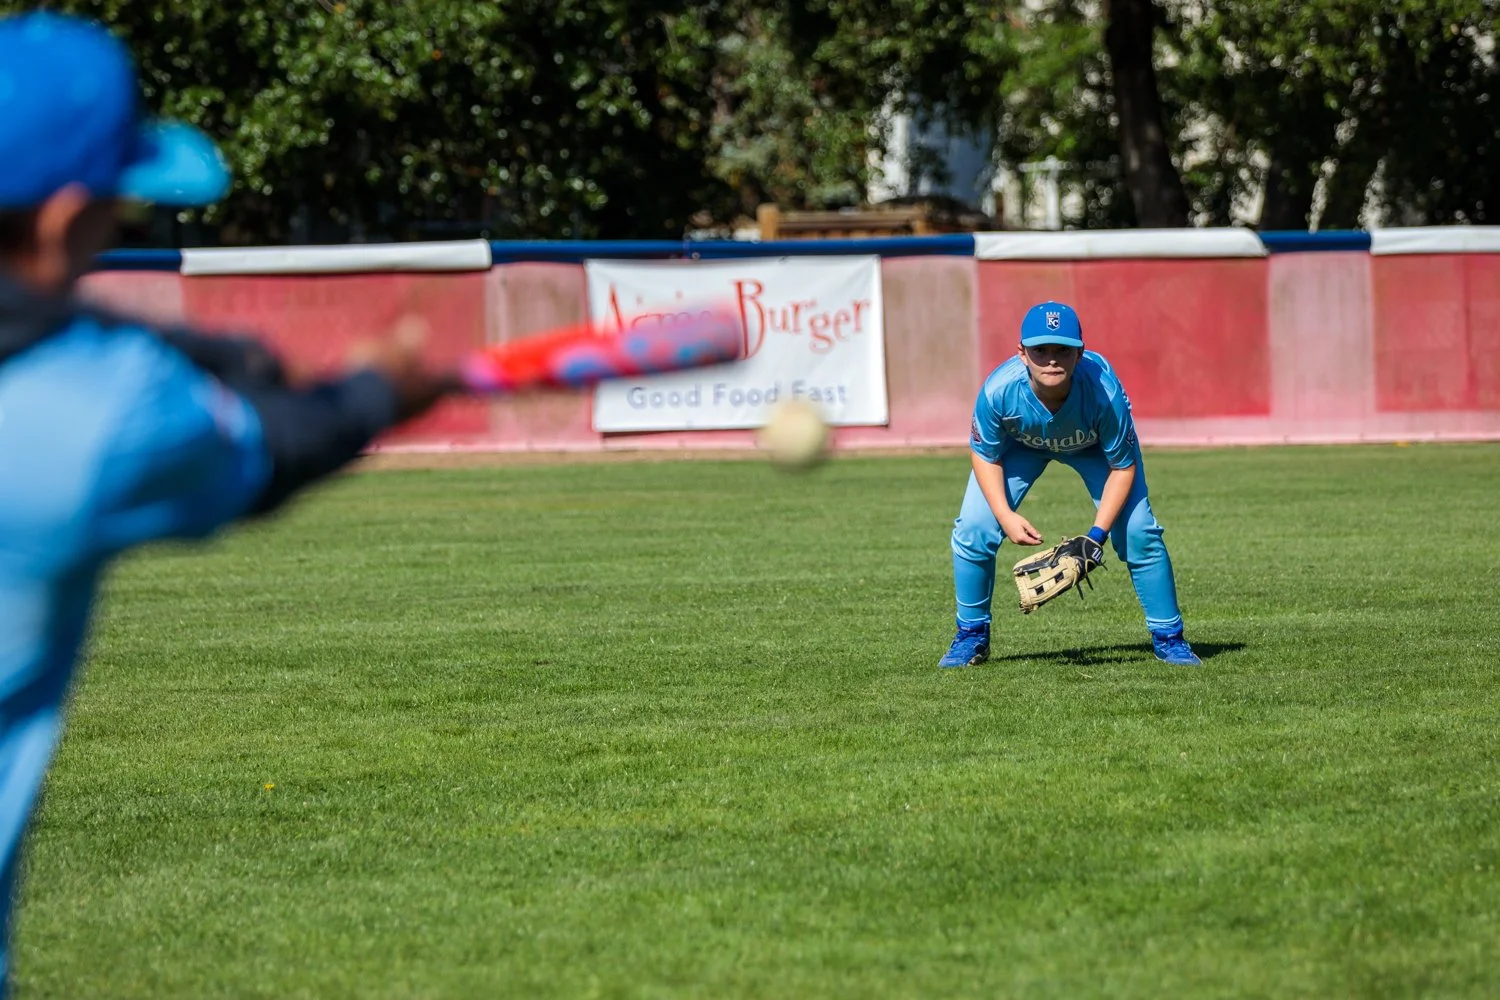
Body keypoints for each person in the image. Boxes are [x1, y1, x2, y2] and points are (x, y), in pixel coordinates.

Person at [0, 12, 453, 988]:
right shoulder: (105, 418)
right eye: (113, 212)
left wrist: (230, 360)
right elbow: (276, 446)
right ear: (61, 215)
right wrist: (380, 391)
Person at [939, 300, 1202, 669]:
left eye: (1062, 349)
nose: (1051, 359)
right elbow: (985, 455)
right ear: (1021, 353)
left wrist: (1096, 537)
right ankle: (971, 635)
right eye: (1040, 349)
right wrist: (1004, 515)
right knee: (974, 529)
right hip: (1021, 445)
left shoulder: (1103, 394)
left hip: (1092, 447)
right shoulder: (999, 391)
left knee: (1140, 532)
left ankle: (1169, 637)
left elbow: (1122, 468)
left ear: (1079, 352)